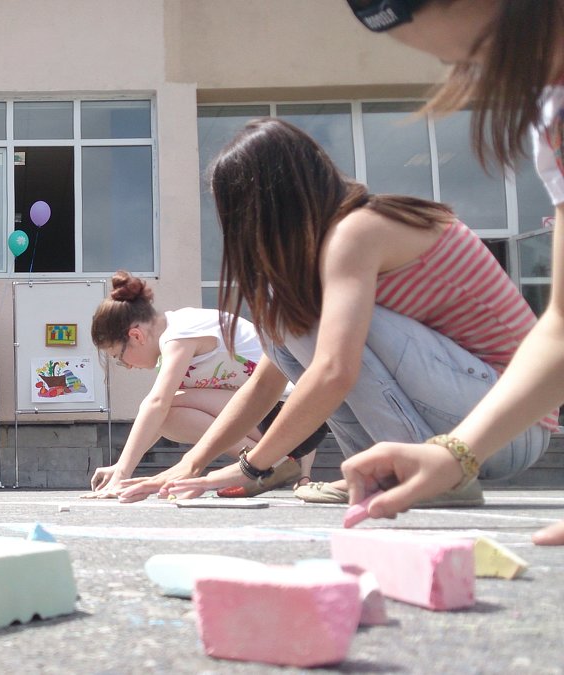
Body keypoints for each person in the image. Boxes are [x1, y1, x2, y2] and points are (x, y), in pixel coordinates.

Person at [116, 117, 554, 506]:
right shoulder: (333, 250)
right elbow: (265, 384)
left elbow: (333, 372)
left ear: (266, 207)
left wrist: (251, 467)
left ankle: (405, 470)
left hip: (505, 428)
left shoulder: (358, 232)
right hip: (468, 422)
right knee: (284, 326)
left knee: (298, 323)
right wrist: (191, 465)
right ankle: (379, 467)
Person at [336, 0, 564, 545]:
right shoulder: (551, 118)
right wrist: (453, 453)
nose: (483, 78)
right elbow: (558, 325)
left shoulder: (357, 234)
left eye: (478, 54)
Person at [85, 270, 327, 498]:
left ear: (135, 336)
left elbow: (157, 403)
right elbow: (157, 415)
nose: (126, 366)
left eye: (118, 356)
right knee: (168, 412)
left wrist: (122, 474)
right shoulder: (175, 337)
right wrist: (120, 465)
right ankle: (271, 462)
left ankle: (271, 463)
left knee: (167, 407)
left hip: (294, 417)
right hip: (286, 420)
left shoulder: (179, 333)